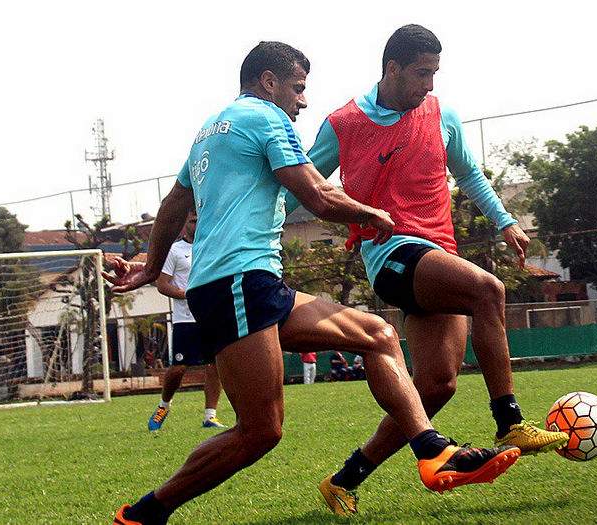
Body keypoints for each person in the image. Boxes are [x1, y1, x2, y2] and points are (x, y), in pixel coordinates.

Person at [105, 41, 519, 525]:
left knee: (377, 336)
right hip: (237, 283)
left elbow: (173, 206)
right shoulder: (264, 117)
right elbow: (318, 195)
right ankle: (143, 514)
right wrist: (375, 216)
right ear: (268, 82)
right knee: (260, 431)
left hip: (249, 284)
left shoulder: (209, 131)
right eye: (299, 89)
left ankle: (432, 451)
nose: (303, 101)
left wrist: (151, 268)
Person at [305, 24, 569, 515]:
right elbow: (304, 181)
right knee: (488, 290)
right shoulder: (343, 123)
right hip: (390, 256)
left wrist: (506, 220)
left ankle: (343, 480)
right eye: (421, 74)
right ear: (392, 69)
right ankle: (509, 419)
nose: (429, 84)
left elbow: (467, 171)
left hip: (435, 255)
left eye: (434, 74)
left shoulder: (442, 113)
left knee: (437, 385)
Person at [148, 209, 227, 431]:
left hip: (210, 317)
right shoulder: (174, 251)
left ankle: (210, 416)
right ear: (184, 224)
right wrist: (187, 294)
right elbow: (162, 285)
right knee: (179, 368)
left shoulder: (212, 246)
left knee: (214, 366)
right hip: (186, 319)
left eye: (199, 220)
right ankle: (164, 405)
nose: (196, 224)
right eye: (192, 221)